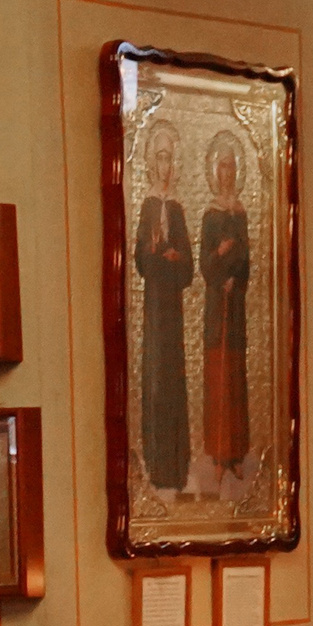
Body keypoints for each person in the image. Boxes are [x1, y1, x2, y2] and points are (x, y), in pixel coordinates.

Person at [134, 124, 193, 493]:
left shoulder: (177, 209)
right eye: (159, 156)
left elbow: (188, 268)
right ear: (152, 163)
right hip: (155, 305)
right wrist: (157, 253)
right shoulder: (147, 207)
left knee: (174, 380)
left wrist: (175, 257)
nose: (164, 163)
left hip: (173, 305)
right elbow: (141, 260)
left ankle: (177, 466)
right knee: (156, 380)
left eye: (169, 156)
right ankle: (157, 464)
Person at [199, 131, 251, 481]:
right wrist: (219, 261)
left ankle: (234, 454)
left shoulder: (240, 212)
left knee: (234, 377)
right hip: (217, 305)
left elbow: (246, 257)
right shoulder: (211, 213)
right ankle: (217, 455)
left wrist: (238, 278)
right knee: (217, 377)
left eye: (232, 166)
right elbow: (204, 262)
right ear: (215, 171)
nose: (228, 172)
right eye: (223, 166)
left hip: (236, 307)